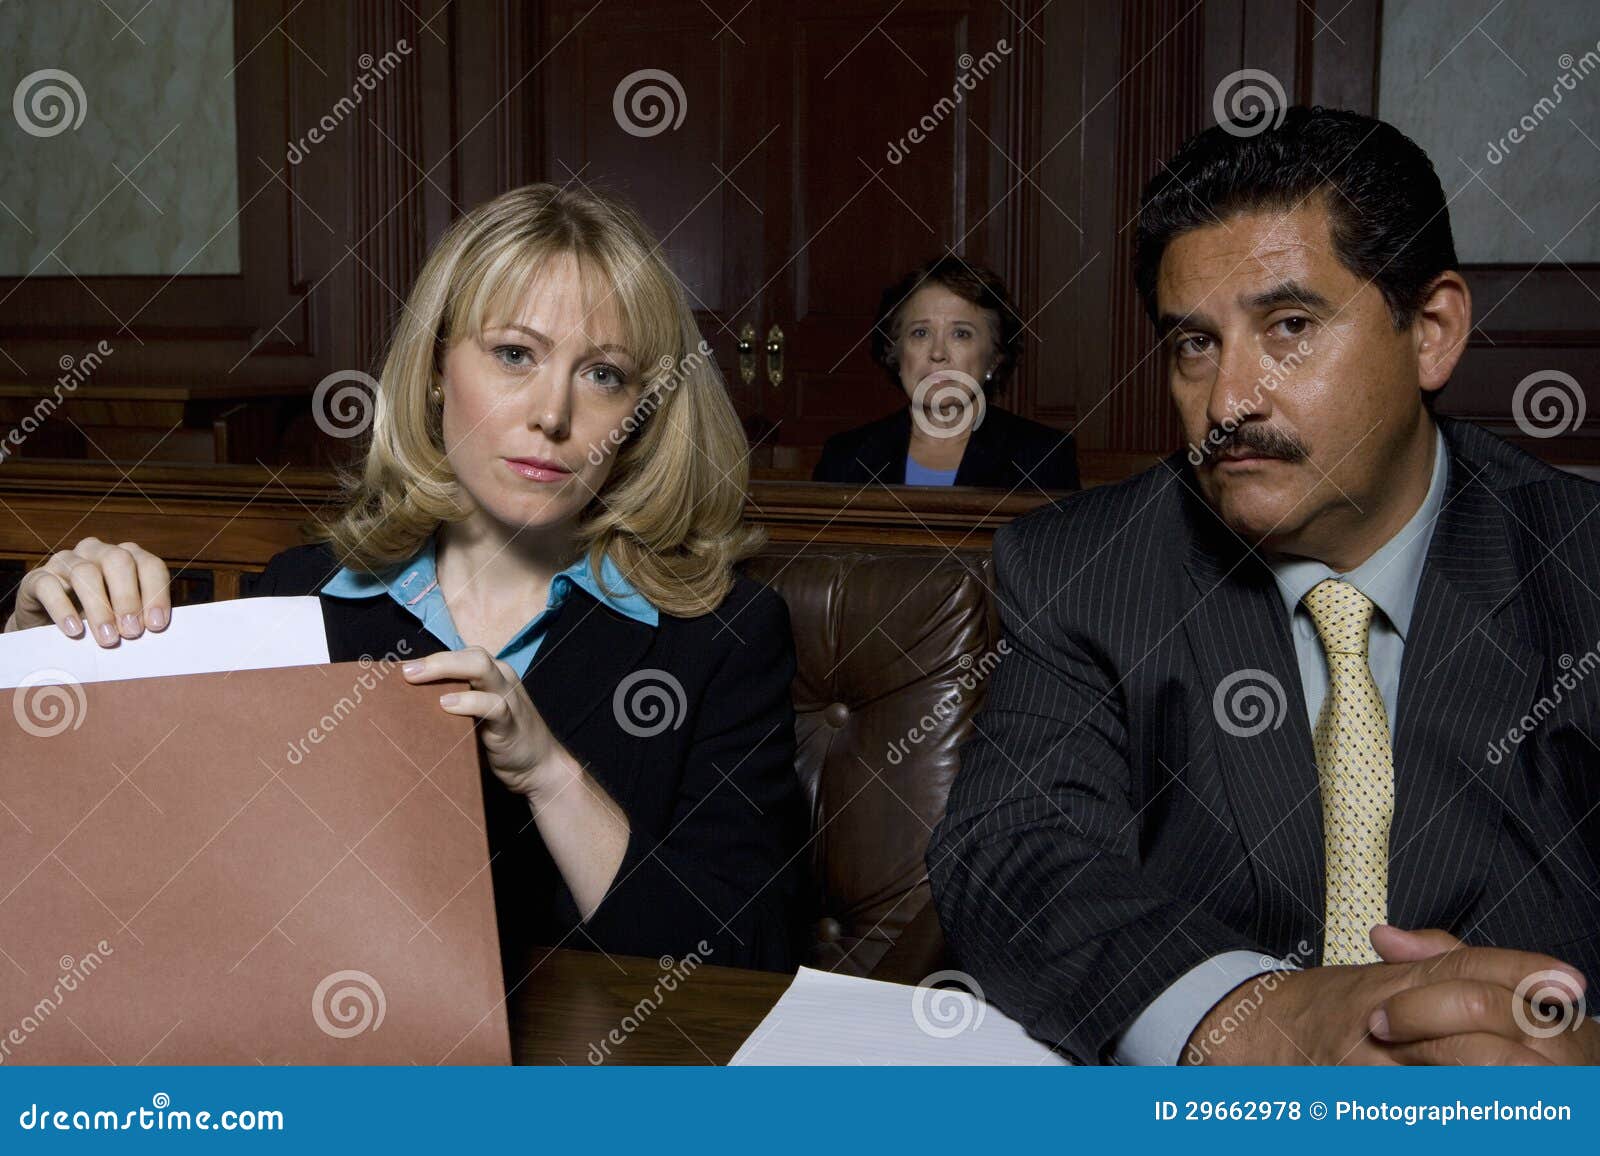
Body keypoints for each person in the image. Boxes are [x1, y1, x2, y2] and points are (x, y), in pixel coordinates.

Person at [928, 106, 1600, 1065]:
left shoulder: (1577, 567)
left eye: (1289, 326)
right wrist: (1257, 1018)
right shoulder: (1086, 567)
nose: (1230, 400)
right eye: (1195, 344)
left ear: (1433, 332)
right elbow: (1012, 857)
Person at [4, 183, 809, 978]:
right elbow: (152, 877)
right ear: (433, 370)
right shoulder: (303, 598)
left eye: (604, 375)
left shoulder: (725, 633)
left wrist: (550, 776)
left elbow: (746, 959)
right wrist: (45, 655)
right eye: (514, 355)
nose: (552, 414)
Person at [811, 257, 1078, 490]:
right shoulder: (845, 457)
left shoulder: (1044, 457)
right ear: (896, 352)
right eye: (920, 333)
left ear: (995, 357)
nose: (938, 352)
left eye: (961, 334)